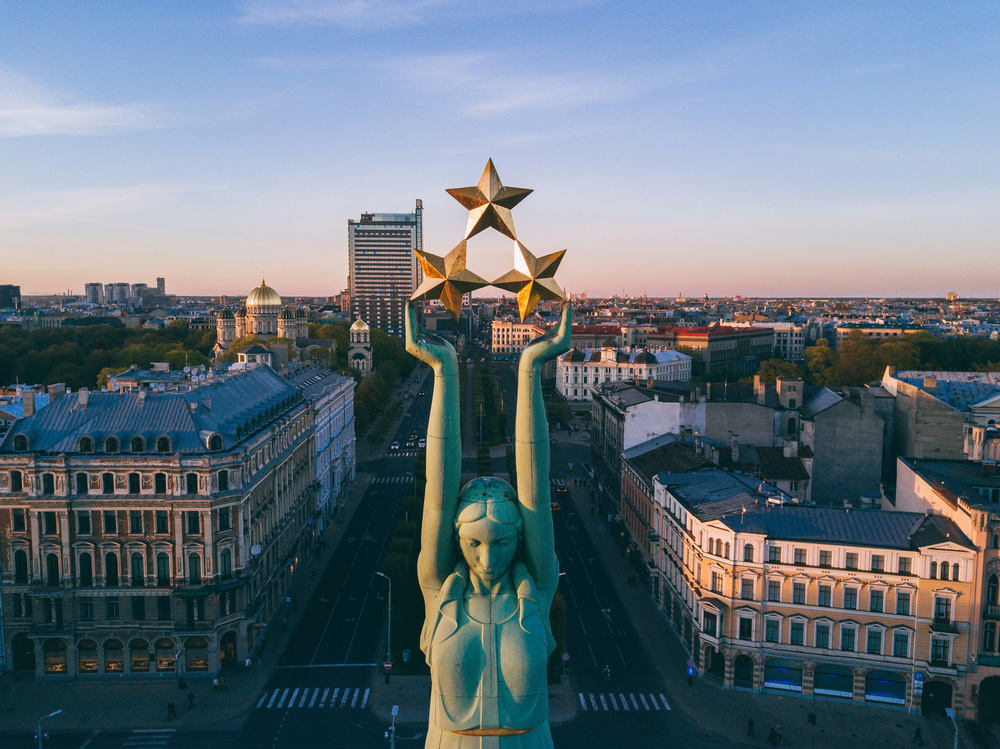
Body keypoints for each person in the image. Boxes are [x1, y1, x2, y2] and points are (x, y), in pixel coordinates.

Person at [407, 302, 570, 749]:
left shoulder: (537, 585)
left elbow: (534, 488)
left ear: (520, 537)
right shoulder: (437, 587)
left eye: (502, 542)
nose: (488, 557)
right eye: (474, 544)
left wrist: (530, 367)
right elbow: (437, 494)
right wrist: (444, 371)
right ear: (456, 541)